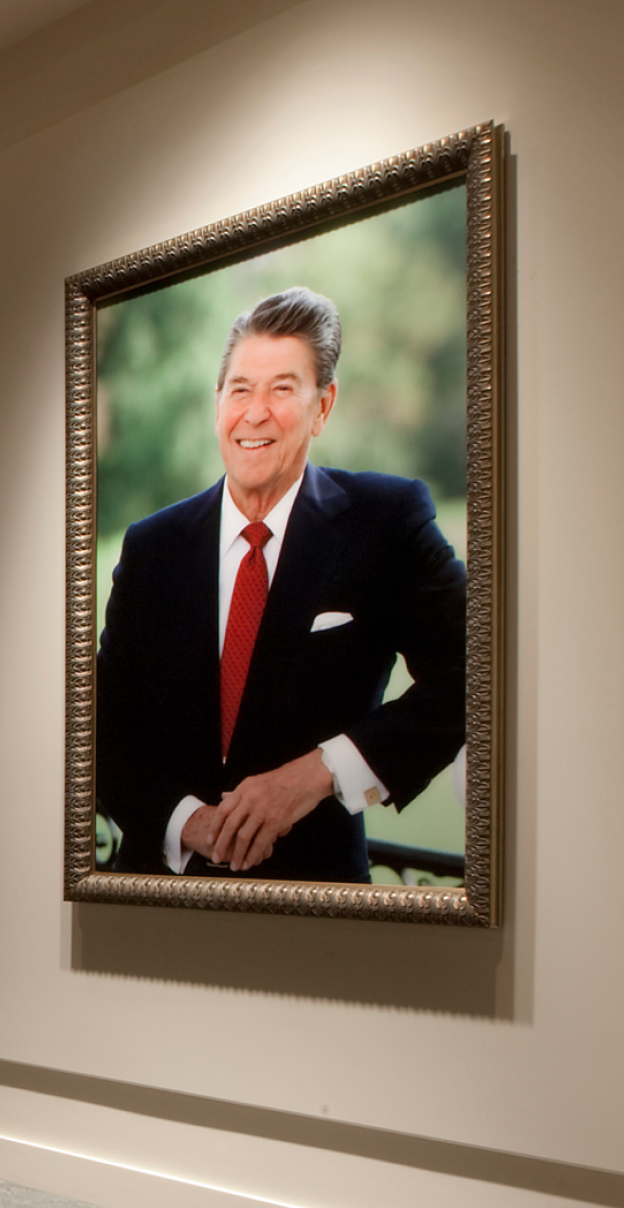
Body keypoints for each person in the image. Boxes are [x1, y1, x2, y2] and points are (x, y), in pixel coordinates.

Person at [92, 287, 468, 883]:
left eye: (283, 388)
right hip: (155, 904)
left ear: (324, 406)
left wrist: (319, 771)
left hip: (318, 906)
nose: (255, 411)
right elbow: (103, 723)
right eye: (240, 389)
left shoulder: (387, 522)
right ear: (217, 403)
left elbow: (474, 675)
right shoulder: (151, 548)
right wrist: (186, 822)